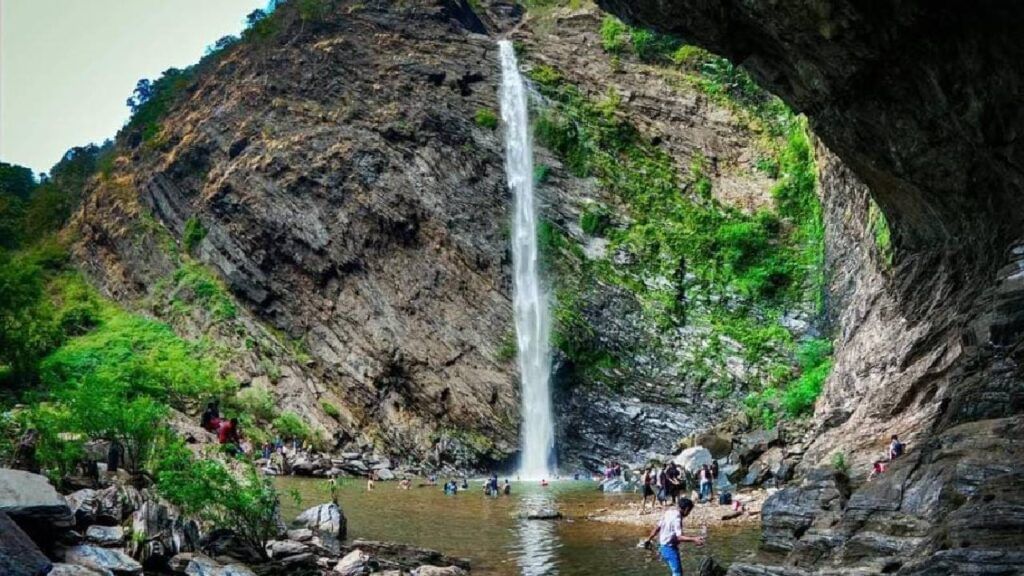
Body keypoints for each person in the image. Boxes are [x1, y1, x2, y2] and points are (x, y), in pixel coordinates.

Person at [644, 498, 704, 576]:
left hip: (662, 547)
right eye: (689, 511)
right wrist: (694, 539)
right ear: (686, 509)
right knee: (678, 573)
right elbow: (679, 537)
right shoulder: (677, 518)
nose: (688, 513)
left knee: (676, 571)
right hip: (670, 549)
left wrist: (648, 539)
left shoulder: (668, 512)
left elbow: (657, 528)